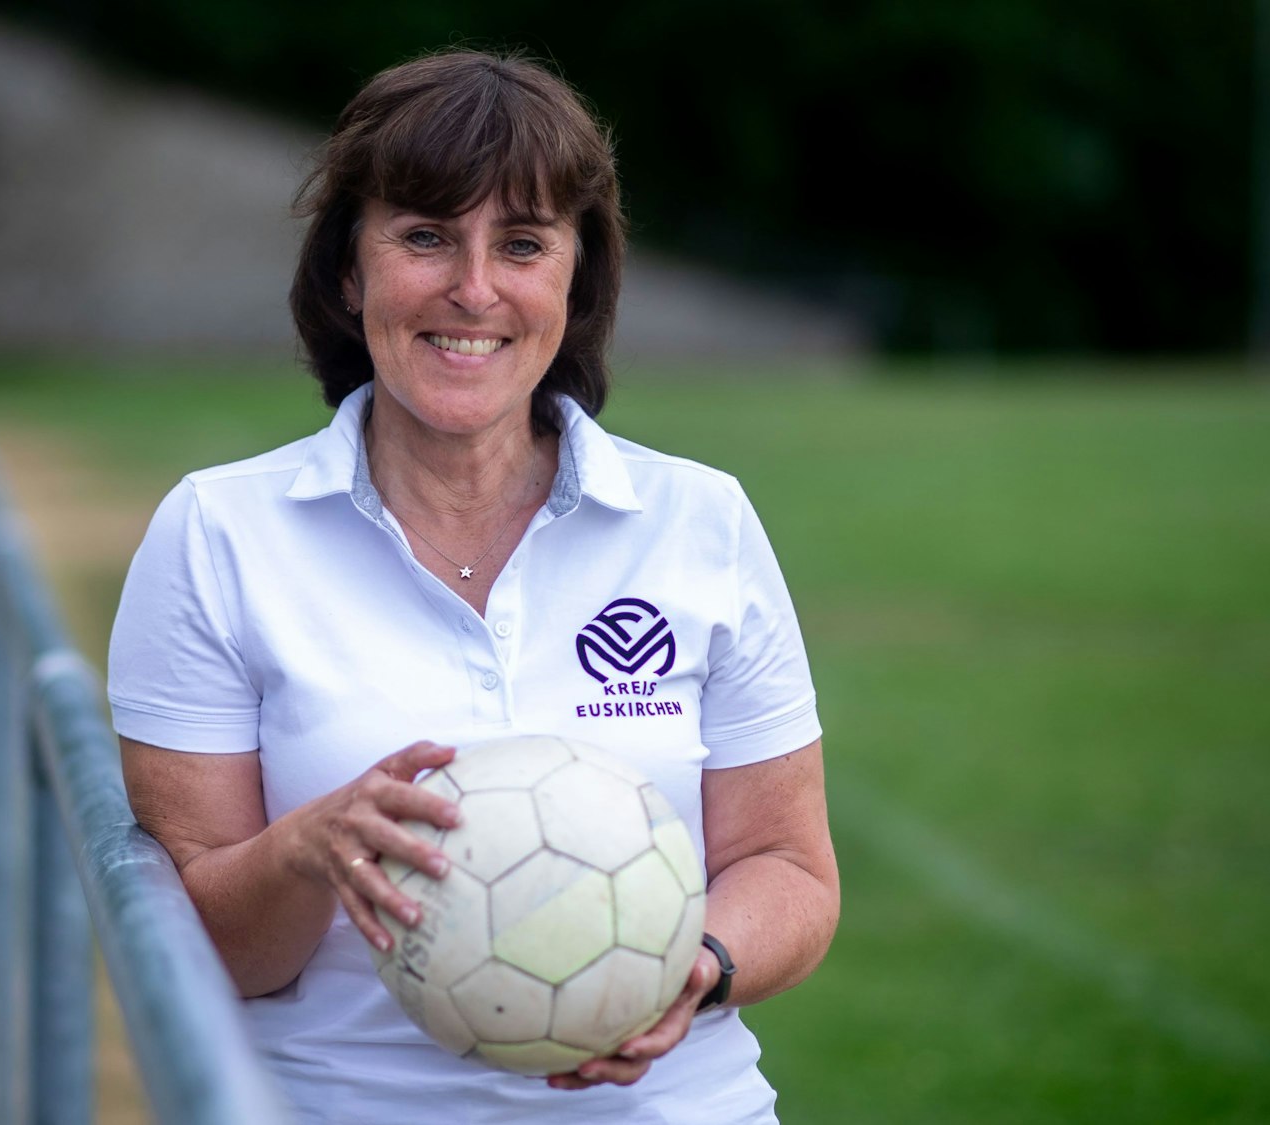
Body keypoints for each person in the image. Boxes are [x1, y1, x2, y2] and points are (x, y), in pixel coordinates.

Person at [110, 48, 838, 1124]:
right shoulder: (218, 534)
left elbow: (787, 866)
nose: (475, 288)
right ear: (348, 270)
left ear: (576, 281)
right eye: (425, 236)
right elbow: (204, 957)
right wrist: (306, 852)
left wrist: (698, 965)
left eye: (524, 244)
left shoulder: (700, 521)